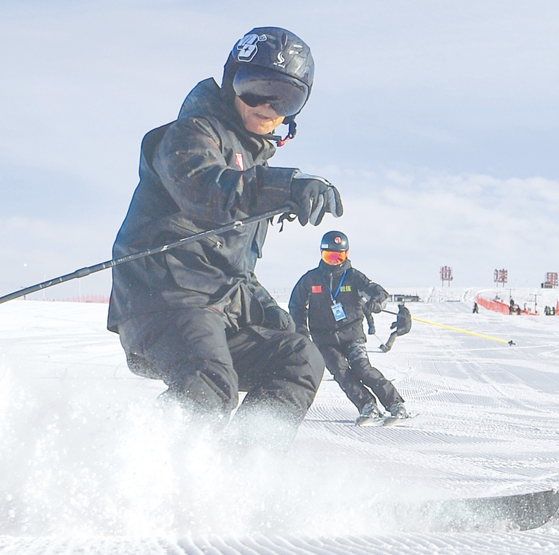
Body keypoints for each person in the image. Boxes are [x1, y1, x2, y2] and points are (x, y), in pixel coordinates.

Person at [107, 27, 341, 449]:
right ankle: (124, 468)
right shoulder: (192, 134)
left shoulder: (251, 164)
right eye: (255, 90)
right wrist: (283, 186)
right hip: (162, 297)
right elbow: (208, 192)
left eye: (285, 99)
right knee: (209, 385)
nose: (268, 107)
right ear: (232, 81)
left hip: (211, 307)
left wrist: (271, 316)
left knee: (299, 358)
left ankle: (241, 474)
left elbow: (232, 268)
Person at [288, 231, 410, 426]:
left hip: (352, 334)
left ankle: (395, 404)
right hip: (324, 339)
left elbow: (378, 292)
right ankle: (367, 406)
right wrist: (302, 331)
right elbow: (296, 305)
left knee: (363, 369)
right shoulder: (310, 279)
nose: (334, 261)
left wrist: (377, 302)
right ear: (321, 254)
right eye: (329, 256)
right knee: (341, 373)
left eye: (339, 256)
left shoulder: (353, 276)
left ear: (347, 254)